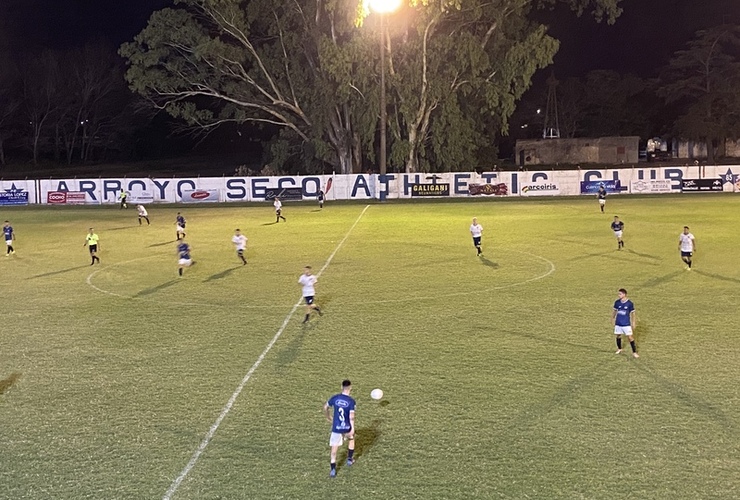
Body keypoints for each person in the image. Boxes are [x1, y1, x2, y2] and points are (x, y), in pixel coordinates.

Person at [323, 379, 356, 478]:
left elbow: (325, 407)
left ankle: (333, 468)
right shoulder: (351, 401)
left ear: (341, 387)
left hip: (336, 427)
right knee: (351, 439)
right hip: (346, 426)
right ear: (350, 388)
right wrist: (352, 428)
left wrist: (328, 417)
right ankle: (349, 459)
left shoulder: (335, 398)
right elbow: (351, 417)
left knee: (334, 449)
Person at [612, 288, 638, 358]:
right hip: (618, 323)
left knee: (630, 337)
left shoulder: (629, 303)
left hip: (626, 324)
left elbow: (633, 313)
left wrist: (633, 322)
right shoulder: (617, 302)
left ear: (624, 294)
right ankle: (619, 348)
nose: (618, 295)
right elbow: (614, 311)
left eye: (620, 294)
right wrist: (613, 318)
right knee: (618, 335)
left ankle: (634, 352)